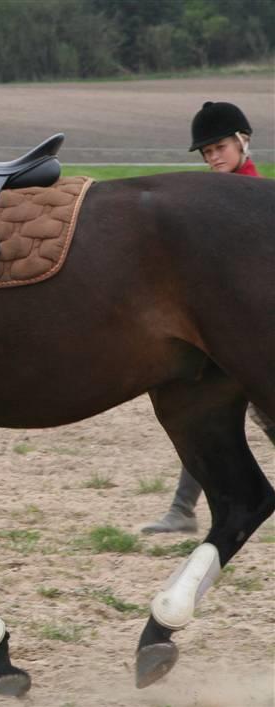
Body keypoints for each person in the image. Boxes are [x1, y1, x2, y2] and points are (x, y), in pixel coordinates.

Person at [142, 100, 275, 534]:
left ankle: (184, 509)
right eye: (206, 152)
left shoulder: (260, 203)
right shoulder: (204, 208)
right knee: (205, 415)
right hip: (213, 332)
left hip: (250, 332)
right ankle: (182, 509)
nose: (213, 157)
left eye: (219, 147)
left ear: (243, 142)